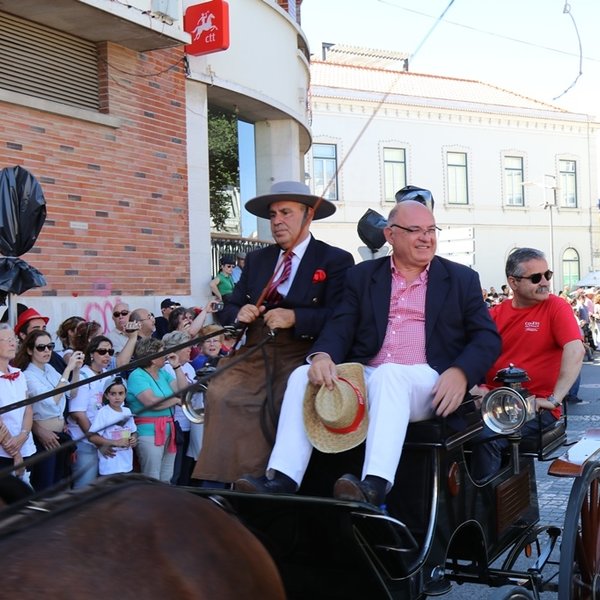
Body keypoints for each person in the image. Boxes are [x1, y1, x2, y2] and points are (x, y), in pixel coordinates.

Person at [235, 200, 500, 507]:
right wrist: (322, 356)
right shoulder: (362, 276)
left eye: (430, 230)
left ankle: (374, 484)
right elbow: (341, 325)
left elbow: (486, 338)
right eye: (415, 230)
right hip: (369, 375)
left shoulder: (460, 278)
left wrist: (461, 373)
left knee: (391, 376)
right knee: (302, 376)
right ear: (390, 235)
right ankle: (282, 478)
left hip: (427, 379)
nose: (426, 238)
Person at [191, 180, 353, 487]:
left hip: (301, 353)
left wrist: (296, 317)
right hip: (255, 351)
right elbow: (230, 306)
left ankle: (266, 479)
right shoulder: (257, 260)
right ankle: (216, 484)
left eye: (286, 213)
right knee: (221, 392)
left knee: (279, 399)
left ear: (308, 216)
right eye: (273, 214)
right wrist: (238, 313)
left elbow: (342, 315)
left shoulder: (335, 260)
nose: (277, 221)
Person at [469, 248, 585, 482]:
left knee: (486, 438)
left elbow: (576, 350)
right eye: (536, 278)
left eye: (547, 275)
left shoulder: (556, 307)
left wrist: (554, 399)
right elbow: (472, 355)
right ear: (513, 282)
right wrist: (473, 388)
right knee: (446, 431)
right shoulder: (494, 314)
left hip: (537, 407)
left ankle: (486, 514)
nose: (545, 283)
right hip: (494, 405)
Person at [13, 329, 84, 491]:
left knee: (59, 484)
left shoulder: (49, 369)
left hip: (58, 436)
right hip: (42, 440)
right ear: (30, 350)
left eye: (50, 346)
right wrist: (68, 369)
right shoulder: (28, 375)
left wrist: (77, 370)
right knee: (45, 487)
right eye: (41, 347)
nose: (47, 351)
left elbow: (71, 393)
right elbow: (52, 401)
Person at [126, 336, 188, 482]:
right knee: (152, 477)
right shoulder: (137, 375)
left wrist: (177, 367)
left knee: (167, 477)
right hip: (149, 433)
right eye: (162, 351)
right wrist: (175, 400)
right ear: (153, 358)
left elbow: (184, 391)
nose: (166, 354)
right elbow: (151, 401)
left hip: (168, 430)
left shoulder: (163, 373)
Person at [67, 335, 118, 488]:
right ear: (91, 354)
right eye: (102, 351)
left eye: (110, 351)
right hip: (85, 442)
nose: (107, 355)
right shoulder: (82, 375)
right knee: (84, 490)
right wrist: (96, 440)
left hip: (106, 441)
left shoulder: (110, 375)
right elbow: (78, 414)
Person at [0, 323, 36, 486]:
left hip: (25, 446)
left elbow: (28, 408)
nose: (13, 343)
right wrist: (15, 453)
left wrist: (23, 435)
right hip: (4, 453)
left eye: (13, 339)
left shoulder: (19, 374)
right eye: (7, 340)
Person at [162, 330, 196, 485]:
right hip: (177, 424)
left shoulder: (189, 367)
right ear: (175, 349)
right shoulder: (168, 368)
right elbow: (179, 394)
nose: (190, 349)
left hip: (191, 424)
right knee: (174, 470)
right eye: (186, 346)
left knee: (186, 469)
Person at [88, 377, 138, 476]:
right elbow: (92, 436)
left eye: (120, 393)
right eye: (113, 394)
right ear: (106, 395)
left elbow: (133, 431)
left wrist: (133, 438)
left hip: (127, 464)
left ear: (125, 394)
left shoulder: (127, 411)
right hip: (110, 466)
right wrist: (114, 442)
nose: (117, 397)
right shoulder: (103, 412)